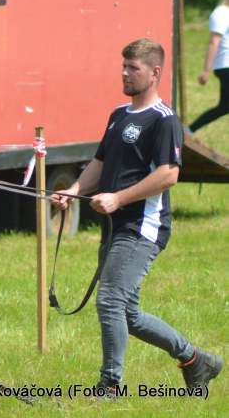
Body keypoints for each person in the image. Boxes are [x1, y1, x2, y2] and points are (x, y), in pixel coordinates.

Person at [52, 39, 222, 399]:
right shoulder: (118, 115)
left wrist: (118, 198)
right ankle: (196, 361)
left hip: (141, 228)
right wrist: (74, 190)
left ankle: (109, 385)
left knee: (110, 301)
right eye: (124, 67)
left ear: (155, 73)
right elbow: (100, 163)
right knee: (127, 313)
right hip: (115, 225)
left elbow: (168, 174)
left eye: (134, 68)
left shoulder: (164, 120)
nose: (125, 74)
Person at [189, 0, 229, 133]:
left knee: (225, 107)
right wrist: (206, 70)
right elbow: (214, 42)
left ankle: (190, 130)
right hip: (226, 66)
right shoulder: (221, 13)